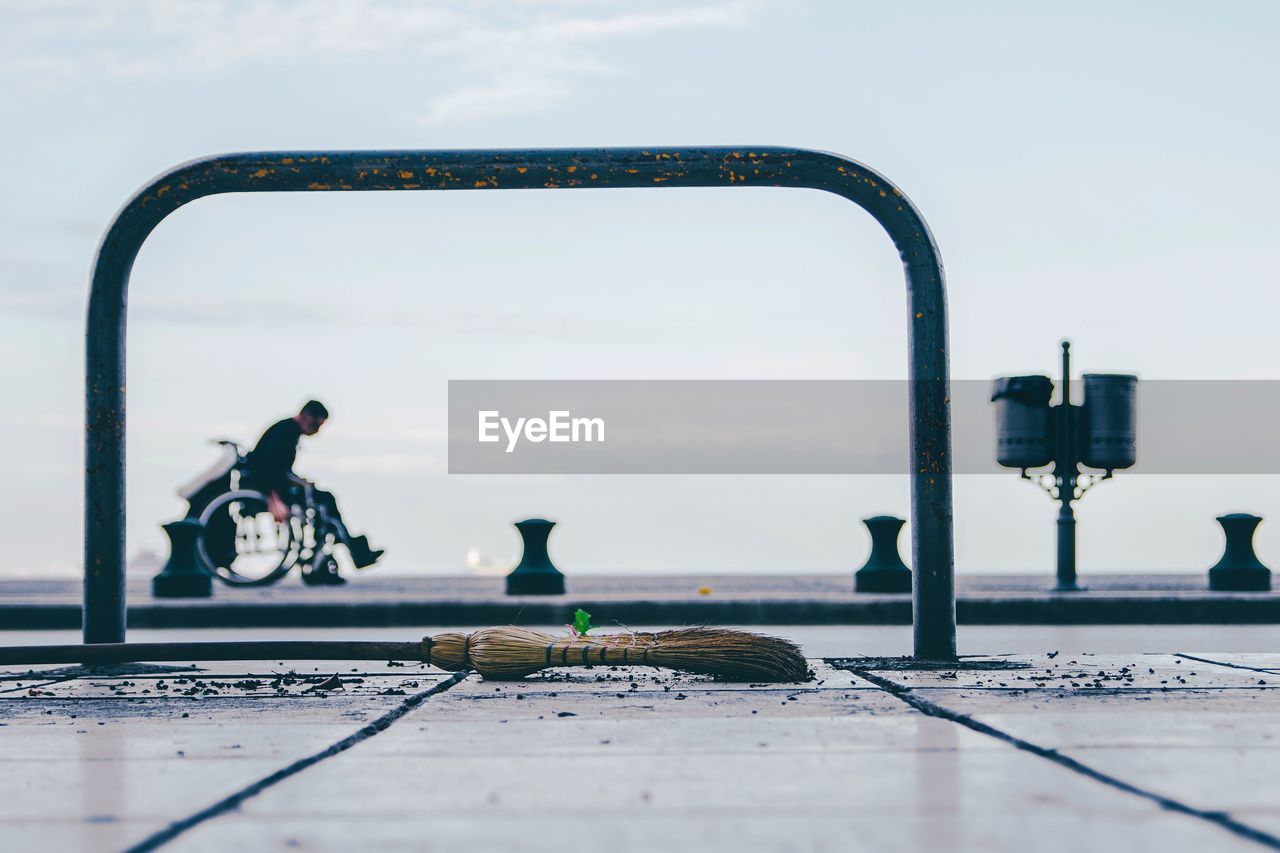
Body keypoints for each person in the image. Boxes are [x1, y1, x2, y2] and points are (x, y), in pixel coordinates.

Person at [243, 400, 383, 585]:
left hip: (271, 484)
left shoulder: (288, 431)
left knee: (325, 502)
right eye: (316, 425)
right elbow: (269, 467)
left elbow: (277, 468)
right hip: (265, 486)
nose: (317, 430)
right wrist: (274, 498)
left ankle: (340, 553)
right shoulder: (285, 431)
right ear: (306, 416)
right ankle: (353, 552)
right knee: (326, 500)